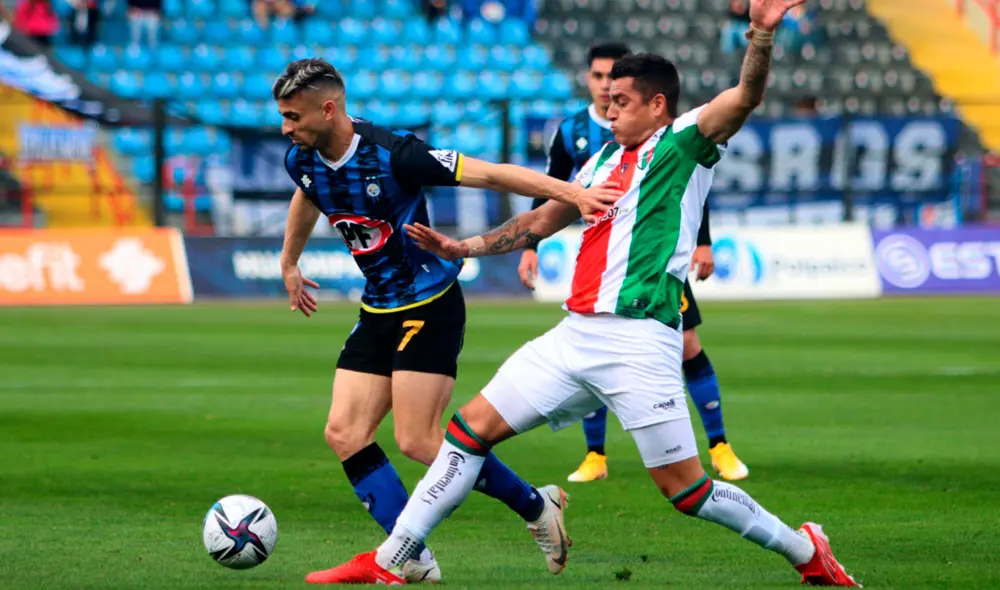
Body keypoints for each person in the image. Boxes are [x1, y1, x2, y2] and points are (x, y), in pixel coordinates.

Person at [304, 2, 858, 586]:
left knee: (686, 490)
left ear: (657, 104)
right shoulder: (599, 160)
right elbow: (539, 223)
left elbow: (745, 95)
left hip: (640, 340)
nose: (607, 109)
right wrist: (461, 248)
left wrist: (761, 35)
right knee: (467, 432)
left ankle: (805, 550)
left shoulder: (684, 142)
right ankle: (395, 558)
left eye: (620, 102)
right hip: (574, 335)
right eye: (606, 99)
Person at [272, 58, 619, 585]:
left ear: (329, 107)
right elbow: (309, 194)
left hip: (429, 303)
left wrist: (573, 194)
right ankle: (410, 555)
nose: (285, 128)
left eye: (293, 116)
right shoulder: (301, 157)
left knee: (418, 441)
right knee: (344, 432)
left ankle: (536, 506)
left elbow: (492, 173)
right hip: (378, 306)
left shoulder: (395, 154)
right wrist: (289, 261)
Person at [518, 42, 749, 484]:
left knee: (689, 347)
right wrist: (529, 245)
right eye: (599, 78)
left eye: (614, 81)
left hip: (656, 265)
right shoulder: (573, 133)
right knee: (593, 346)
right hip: (603, 262)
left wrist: (703, 242)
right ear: (588, 80)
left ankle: (719, 445)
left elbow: (689, 187)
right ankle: (595, 455)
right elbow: (551, 191)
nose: (606, 88)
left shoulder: (665, 134)